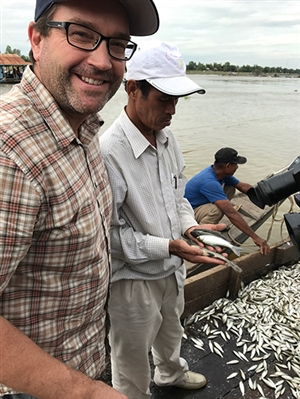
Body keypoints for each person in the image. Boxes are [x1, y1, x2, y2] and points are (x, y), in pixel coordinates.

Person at [0, 0, 159, 398]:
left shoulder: (83, 127)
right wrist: (86, 393)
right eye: (82, 35)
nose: (103, 61)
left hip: (83, 360)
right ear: (36, 40)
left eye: (118, 44)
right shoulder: (10, 154)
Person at [99, 40, 229, 399]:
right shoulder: (109, 152)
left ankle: (170, 374)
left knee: (171, 330)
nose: (172, 110)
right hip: (132, 279)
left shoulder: (167, 138)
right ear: (132, 89)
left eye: (176, 100)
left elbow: (178, 196)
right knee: (130, 358)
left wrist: (189, 227)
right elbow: (108, 236)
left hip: (174, 265)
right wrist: (167, 245)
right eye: (163, 99)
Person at [184, 147, 270, 255]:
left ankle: (211, 224)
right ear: (228, 166)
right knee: (218, 209)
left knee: (230, 188)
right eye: (236, 164)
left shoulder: (220, 173)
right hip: (189, 213)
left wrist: (265, 197)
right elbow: (231, 213)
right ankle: (202, 233)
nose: (237, 167)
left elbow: (242, 186)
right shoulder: (209, 182)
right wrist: (255, 237)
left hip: (200, 206)